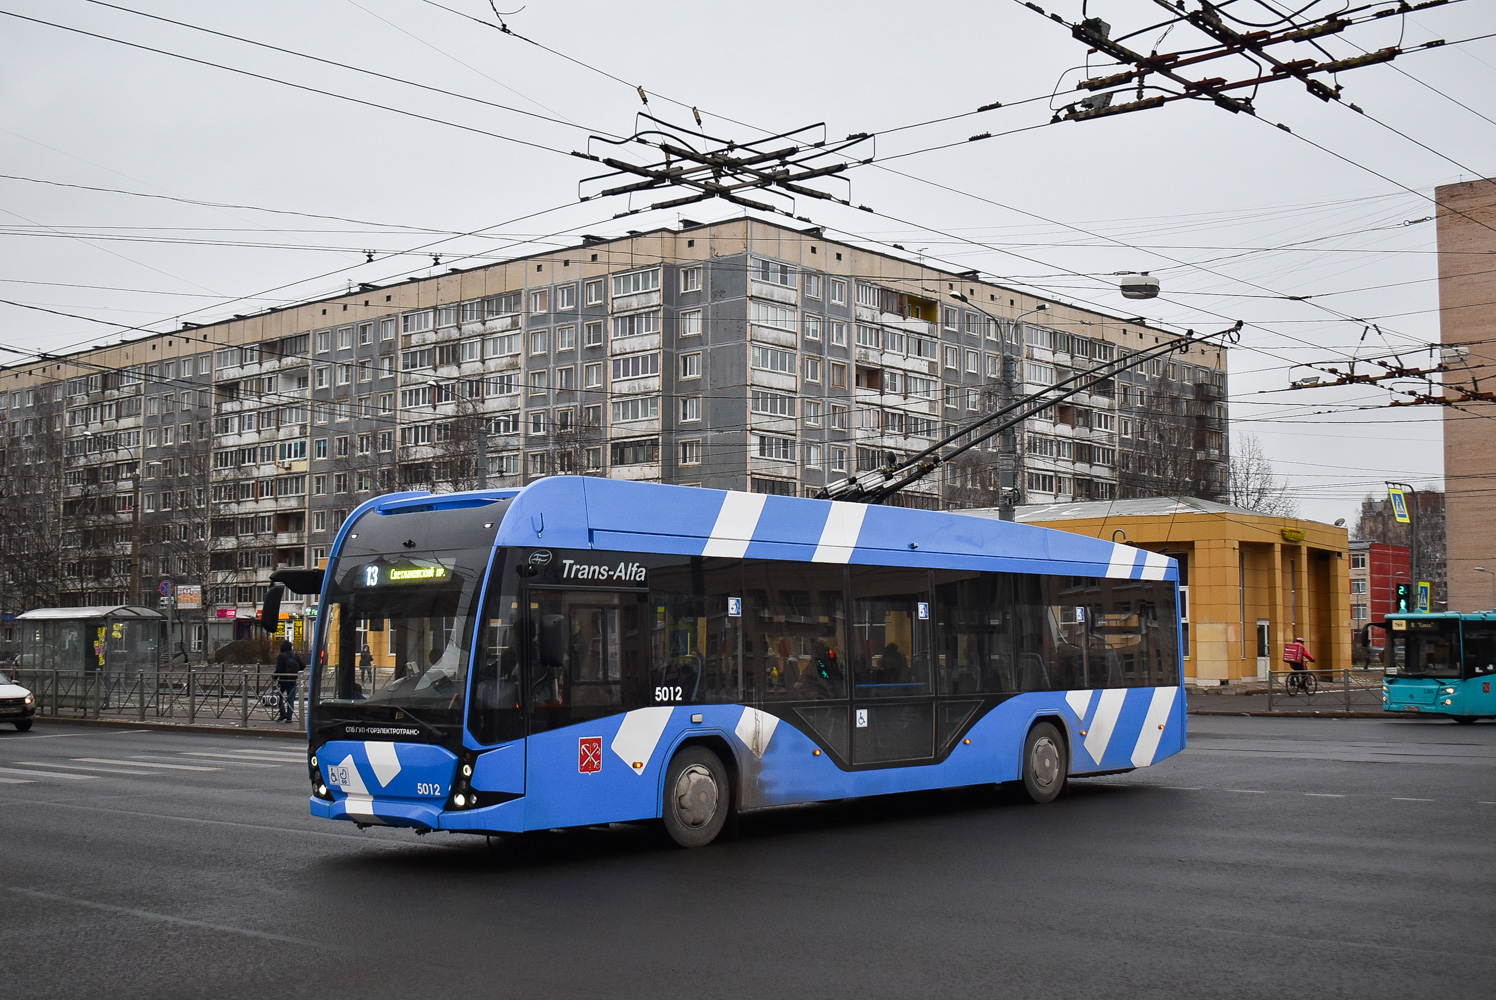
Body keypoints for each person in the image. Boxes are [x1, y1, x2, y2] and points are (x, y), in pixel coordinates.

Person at [273, 640, 305, 722]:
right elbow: (303, 665)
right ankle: (289, 718)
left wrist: (274, 677)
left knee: (279, 697)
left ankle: (283, 713)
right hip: (292, 679)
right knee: (291, 698)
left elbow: (278, 669)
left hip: (283, 680)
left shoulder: (281, 656)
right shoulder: (295, 655)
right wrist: (296, 671)